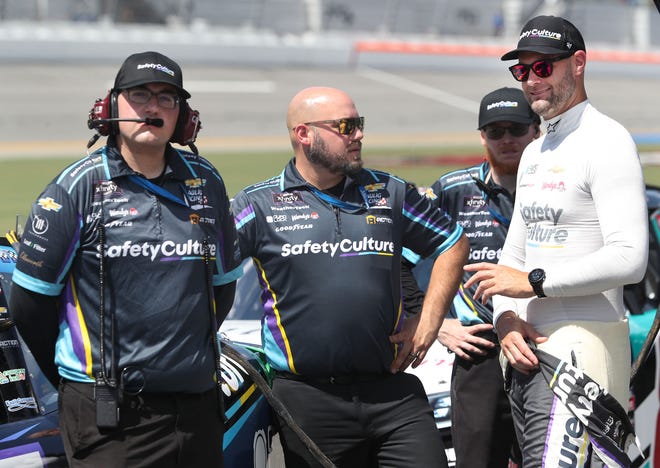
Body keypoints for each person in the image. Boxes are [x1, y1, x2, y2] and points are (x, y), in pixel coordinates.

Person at [9, 51, 242, 467]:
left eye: (167, 98)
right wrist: (79, 374)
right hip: (107, 416)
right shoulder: (76, 187)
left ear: (183, 116)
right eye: (139, 95)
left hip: (196, 410)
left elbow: (221, 288)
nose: (152, 107)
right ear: (111, 105)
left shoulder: (206, 181)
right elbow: (30, 304)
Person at [231, 86, 469, 467]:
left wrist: (428, 322)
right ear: (303, 134)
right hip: (307, 397)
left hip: (392, 391)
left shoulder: (390, 192)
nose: (358, 135)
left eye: (359, 124)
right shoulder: (256, 205)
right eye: (345, 126)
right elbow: (208, 267)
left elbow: (453, 244)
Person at [464, 16, 648, 466]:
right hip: (526, 356)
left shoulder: (607, 141)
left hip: (584, 352)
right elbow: (513, 256)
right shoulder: (534, 151)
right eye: (521, 71)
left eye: (543, 68)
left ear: (578, 63)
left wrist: (534, 283)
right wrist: (506, 318)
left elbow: (630, 259)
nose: (530, 81)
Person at [403, 86, 540, 467]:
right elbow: (397, 262)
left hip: (548, 340)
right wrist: (436, 324)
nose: (507, 139)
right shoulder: (453, 190)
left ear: (536, 130)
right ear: (482, 137)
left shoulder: (558, 187)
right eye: (495, 131)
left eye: (517, 128)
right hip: (480, 348)